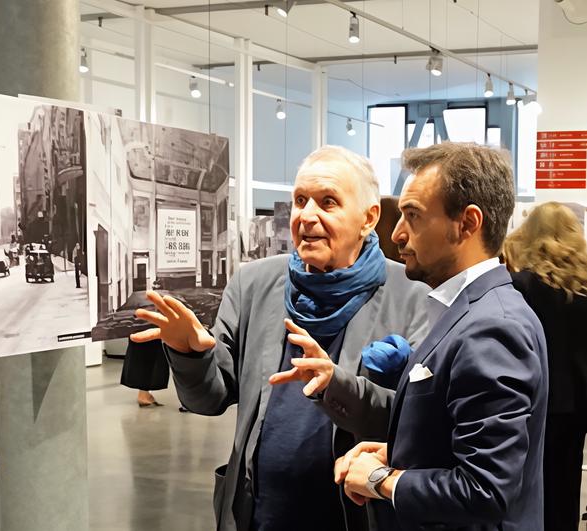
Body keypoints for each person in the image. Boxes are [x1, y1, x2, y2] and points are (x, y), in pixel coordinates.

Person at [131, 145, 430, 531]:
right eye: (300, 200)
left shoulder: (412, 296)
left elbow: (417, 424)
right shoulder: (254, 284)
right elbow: (209, 398)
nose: (307, 216)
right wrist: (190, 352)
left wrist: (336, 386)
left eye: (328, 202)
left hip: (355, 516)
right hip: (260, 513)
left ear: (368, 218)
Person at [274, 143, 548, 531]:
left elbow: (486, 489)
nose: (398, 234)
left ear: (467, 223)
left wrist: (380, 480)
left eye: (413, 217)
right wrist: (401, 453)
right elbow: (462, 447)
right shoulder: (468, 312)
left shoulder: (492, 328)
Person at [503, 201, 587, 531]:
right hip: (578, 403)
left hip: (532, 397)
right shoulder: (582, 289)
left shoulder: (519, 285)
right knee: (566, 481)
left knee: (528, 484)